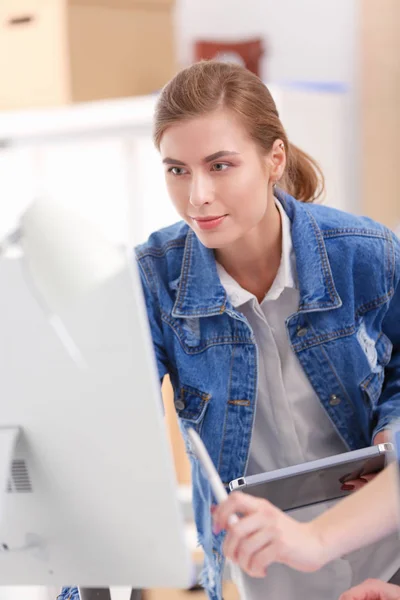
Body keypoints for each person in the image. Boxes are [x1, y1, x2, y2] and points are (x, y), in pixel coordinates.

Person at [59, 61, 400, 600]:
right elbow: (111, 441)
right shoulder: (153, 280)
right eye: (177, 170)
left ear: (274, 159)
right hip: (260, 572)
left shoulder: (366, 253)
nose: (197, 196)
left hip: (383, 548)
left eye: (220, 166)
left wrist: (390, 438)